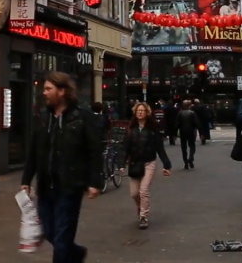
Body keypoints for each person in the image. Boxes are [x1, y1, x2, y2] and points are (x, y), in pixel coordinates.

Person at [21, 71, 103, 263]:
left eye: (49, 89)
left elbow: (94, 151)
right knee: (49, 231)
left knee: (62, 237)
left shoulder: (83, 118)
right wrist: (26, 179)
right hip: (46, 187)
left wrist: (94, 182)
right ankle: (76, 253)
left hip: (69, 187)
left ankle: (69, 254)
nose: (44, 93)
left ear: (62, 90)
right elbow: (35, 151)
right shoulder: (43, 118)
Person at [123, 103, 172, 229]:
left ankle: (143, 216)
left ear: (146, 113)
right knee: (134, 193)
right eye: (138, 111)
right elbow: (125, 148)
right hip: (134, 163)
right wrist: (121, 163)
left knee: (143, 190)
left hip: (149, 162)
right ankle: (140, 206)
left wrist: (166, 165)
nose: (140, 113)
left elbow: (160, 148)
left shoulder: (152, 129)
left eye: (142, 110)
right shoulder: (130, 129)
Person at [177, 100, 199, 169]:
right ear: (189, 106)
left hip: (183, 131)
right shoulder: (192, 113)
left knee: (184, 148)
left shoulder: (180, 113)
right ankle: (191, 158)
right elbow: (196, 123)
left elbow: (177, 124)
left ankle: (185, 163)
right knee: (192, 146)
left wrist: (176, 131)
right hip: (191, 131)